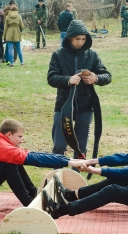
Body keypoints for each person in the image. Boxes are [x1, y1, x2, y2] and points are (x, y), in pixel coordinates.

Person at [0, 118, 92, 211]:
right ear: (9, 134)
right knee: (8, 165)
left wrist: (69, 160)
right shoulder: (3, 149)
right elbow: (36, 160)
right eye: (19, 136)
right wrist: (70, 162)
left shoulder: (2, 145)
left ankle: (34, 194)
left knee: (12, 161)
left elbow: (37, 155)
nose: (21, 140)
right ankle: (29, 204)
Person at [42, 124, 128, 221]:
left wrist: (94, 161)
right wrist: (95, 170)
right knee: (116, 180)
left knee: (113, 191)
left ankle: (59, 210)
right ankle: (70, 195)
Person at [47, 20, 111, 172]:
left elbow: (107, 75)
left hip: (86, 106)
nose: (80, 42)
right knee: (59, 145)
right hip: (63, 107)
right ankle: (57, 177)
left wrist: (96, 78)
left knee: (81, 148)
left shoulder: (92, 55)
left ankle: (75, 180)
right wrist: (68, 79)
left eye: (83, 39)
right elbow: (51, 78)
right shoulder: (58, 55)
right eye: (77, 39)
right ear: (69, 38)